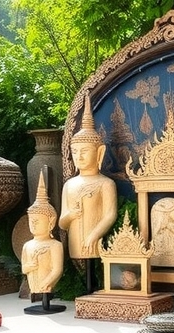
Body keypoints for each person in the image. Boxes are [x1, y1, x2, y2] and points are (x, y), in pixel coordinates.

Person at [59, 94, 117, 293]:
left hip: (96, 239)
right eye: (75, 151)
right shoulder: (69, 185)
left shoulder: (106, 183)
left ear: (99, 153)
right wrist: (70, 215)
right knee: (84, 270)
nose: (79, 156)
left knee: (96, 267)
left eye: (85, 151)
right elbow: (62, 222)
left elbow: (110, 215)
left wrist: (94, 234)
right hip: (76, 239)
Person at [21, 171, 66, 314]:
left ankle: (45, 295)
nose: (33, 224)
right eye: (31, 220)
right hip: (34, 283)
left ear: (51, 222)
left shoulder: (55, 245)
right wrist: (29, 266)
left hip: (46, 284)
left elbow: (57, 270)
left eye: (37, 221)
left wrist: (46, 282)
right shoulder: (27, 246)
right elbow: (24, 269)